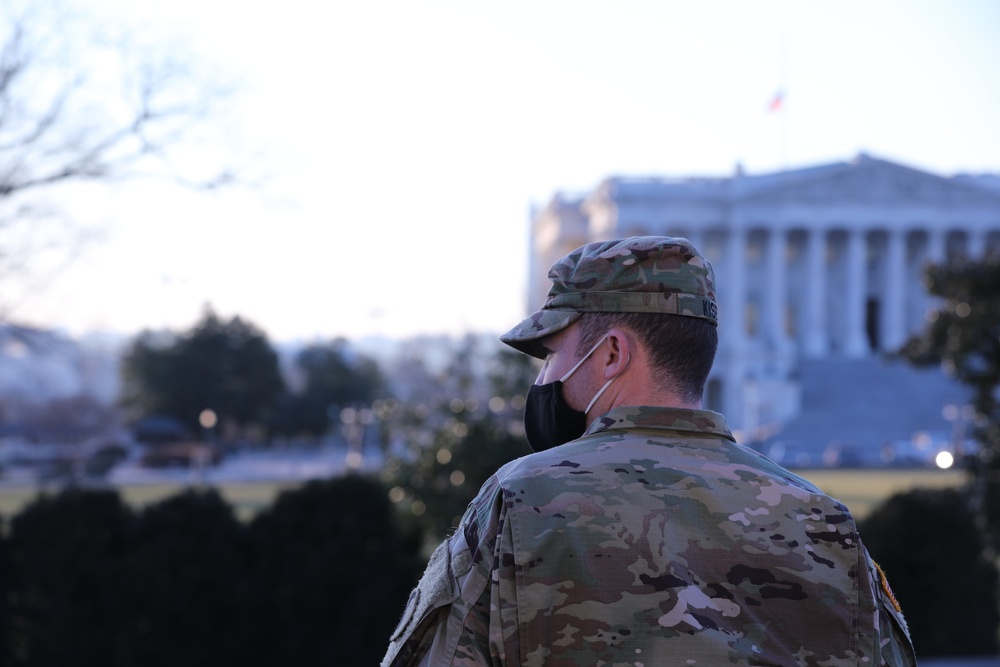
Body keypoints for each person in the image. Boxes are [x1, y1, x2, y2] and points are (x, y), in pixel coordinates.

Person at [383, 236, 916, 666]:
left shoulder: (521, 501)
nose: (544, 377)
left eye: (550, 355)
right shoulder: (825, 521)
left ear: (612, 352)